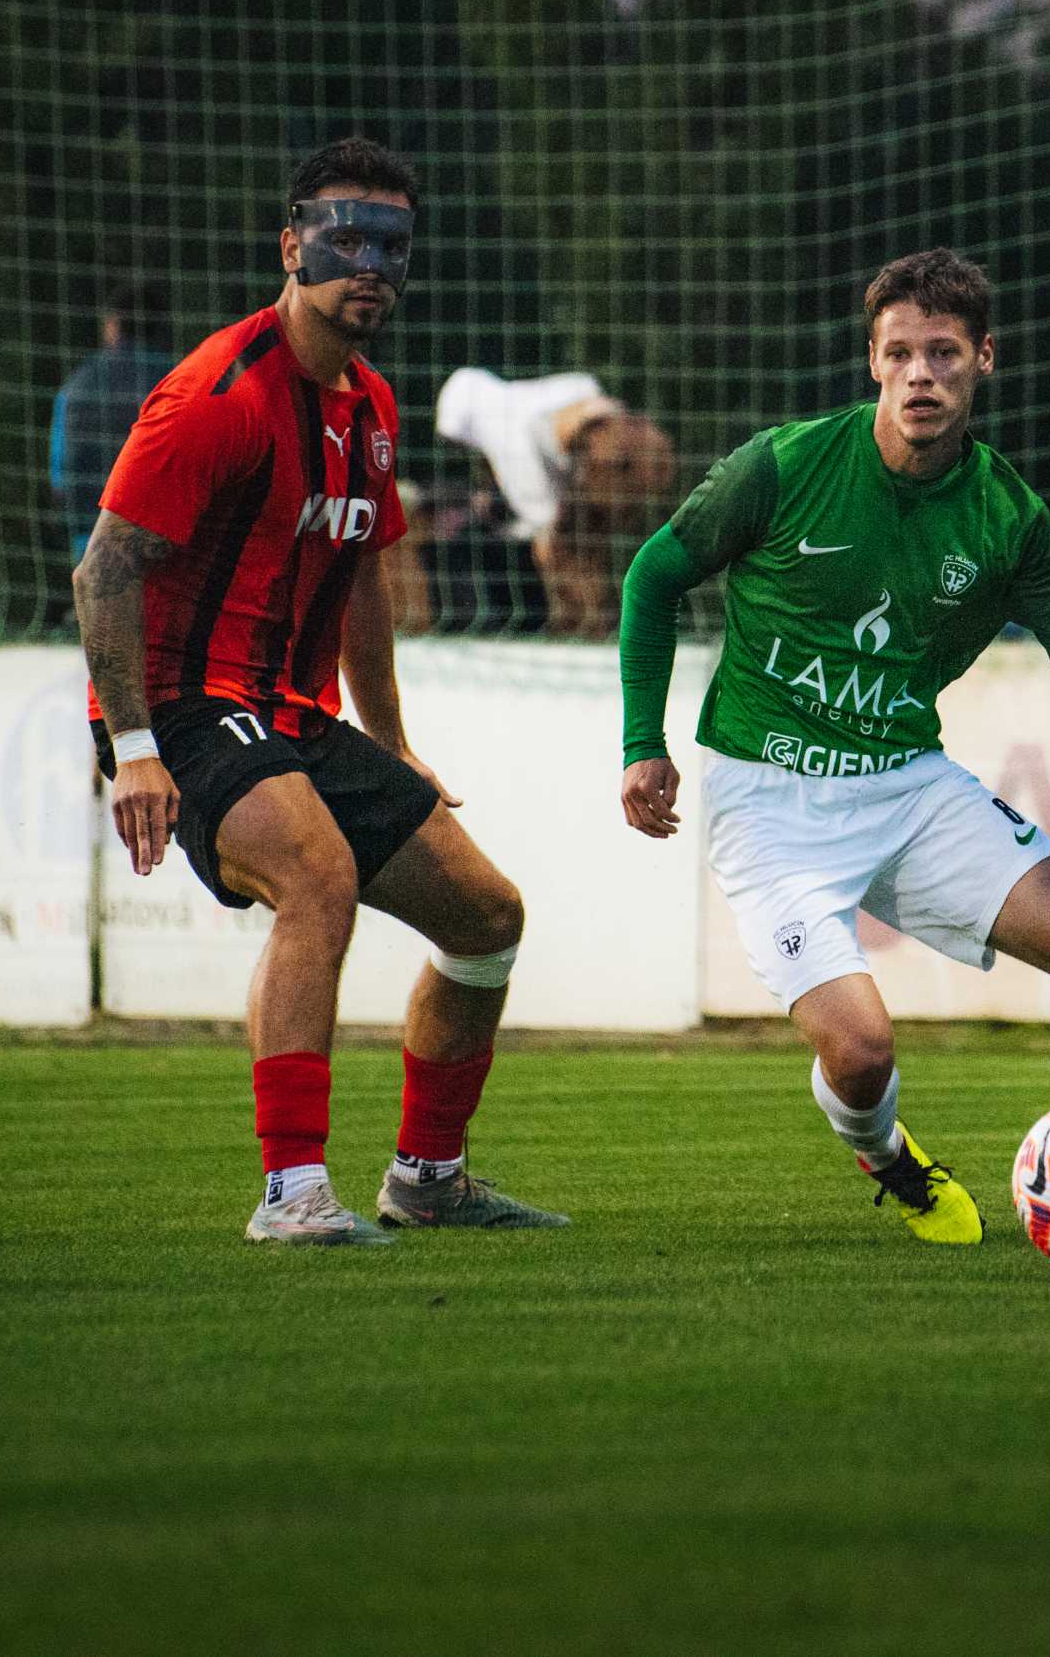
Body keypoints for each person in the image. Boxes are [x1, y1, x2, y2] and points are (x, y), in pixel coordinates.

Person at [616, 248, 1050, 1251]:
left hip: (906, 785)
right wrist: (645, 743)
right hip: (768, 801)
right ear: (872, 363)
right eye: (899, 353)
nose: (919, 375)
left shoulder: (1007, 517)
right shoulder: (785, 465)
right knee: (860, 1052)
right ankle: (890, 1156)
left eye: (943, 353)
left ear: (985, 359)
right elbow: (650, 578)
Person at [76, 136, 567, 1248]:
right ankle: (291, 1194)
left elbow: (363, 583)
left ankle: (428, 1178)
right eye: (346, 237)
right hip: (186, 706)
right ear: (291, 244)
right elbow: (103, 569)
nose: (370, 263)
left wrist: (392, 743)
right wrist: (136, 746)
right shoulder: (216, 395)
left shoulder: (375, 409)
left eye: (392, 243)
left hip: (293, 716)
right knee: (318, 874)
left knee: (486, 916)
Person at [431, 368, 677, 636]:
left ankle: (585, 626)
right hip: (642, 440)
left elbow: (544, 522)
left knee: (557, 551)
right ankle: (612, 622)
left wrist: (514, 528)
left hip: (609, 466)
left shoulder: (509, 447)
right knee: (592, 545)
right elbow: (588, 387)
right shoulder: (528, 395)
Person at [49, 286, 165, 563]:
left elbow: (60, 477)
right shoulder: (176, 381)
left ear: (112, 323)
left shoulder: (76, 387)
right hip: (160, 539)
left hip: (91, 540)